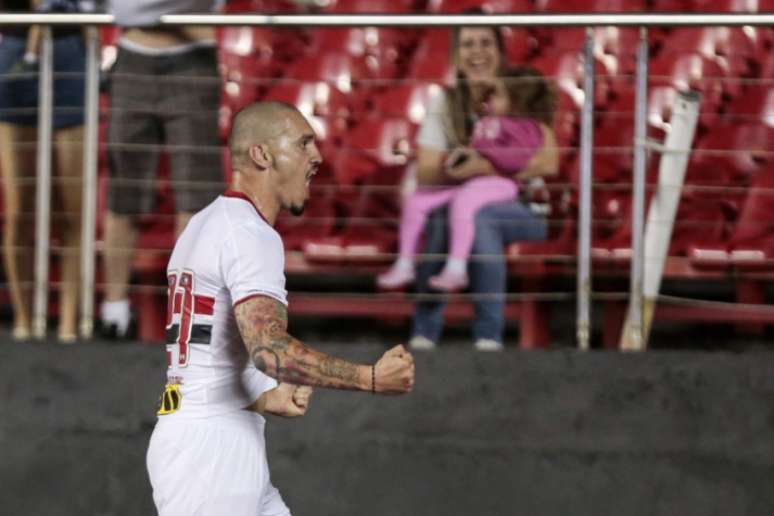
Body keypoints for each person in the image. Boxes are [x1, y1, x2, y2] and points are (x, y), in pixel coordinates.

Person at [146, 101, 415, 516]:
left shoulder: (203, 223)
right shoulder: (249, 233)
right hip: (212, 456)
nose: (317, 156)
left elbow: (202, 354)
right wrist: (370, 378)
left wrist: (263, 396)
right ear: (262, 154)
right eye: (303, 143)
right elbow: (270, 348)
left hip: (206, 438)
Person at [406, 26, 560, 352]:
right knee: (440, 215)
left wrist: (490, 167)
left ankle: (488, 336)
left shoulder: (517, 92)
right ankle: (425, 332)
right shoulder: (447, 103)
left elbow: (548, 163)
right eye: (468, 45)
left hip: (522, 206)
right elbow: (428, 171)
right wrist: (464, 172)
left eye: (486, 43)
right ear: (456, 56)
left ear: (500, 52)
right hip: (465, 196)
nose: (477, 52)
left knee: (482, 217)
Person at [99, 0, 226, 338]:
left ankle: (188, 314)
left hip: (192, 59)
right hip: (133, 57)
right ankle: (114, 311)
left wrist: (136, 9)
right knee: (123, 192)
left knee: (195, 198)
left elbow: (125, 8)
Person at [377, 67, 554, 293]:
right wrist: (462, 157)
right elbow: (475, 147)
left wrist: (484, 158)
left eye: (498, 95)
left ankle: (456, 268)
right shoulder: (488, 121)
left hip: (503, 183)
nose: (490, 99)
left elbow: (518, 158)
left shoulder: (524, 127)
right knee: (417, 201)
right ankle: (405, 263)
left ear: (517, 102)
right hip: (473, 181)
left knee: (463, 202)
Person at [0, 0, 88, 342]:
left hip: (69, 49)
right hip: (14, 46)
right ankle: (23, 320)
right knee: (19, 209)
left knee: (70, 209)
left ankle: (69, 325)